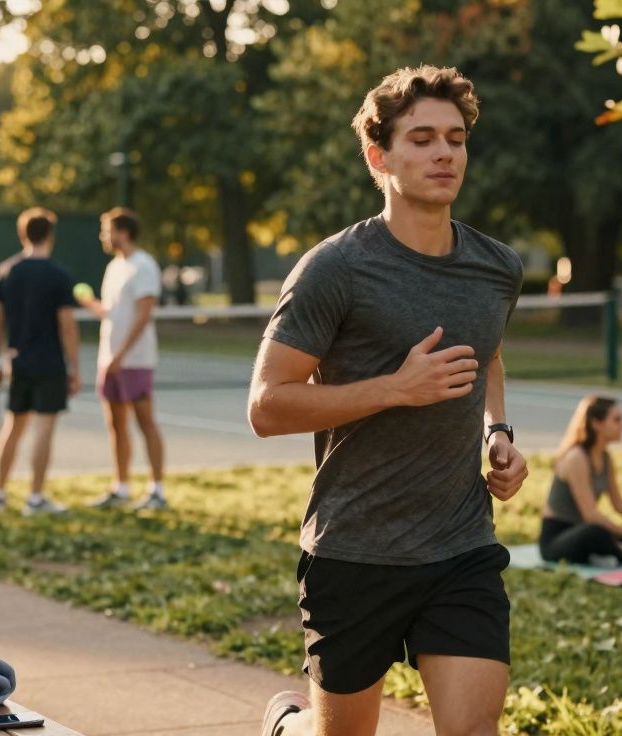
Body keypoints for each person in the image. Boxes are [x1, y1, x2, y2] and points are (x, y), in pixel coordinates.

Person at [249, 65, 528, 736]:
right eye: (422, 139)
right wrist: (396, 389)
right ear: (379, 157)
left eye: (455, 139)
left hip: (460, 545)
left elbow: (487, 355)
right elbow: (267, 406)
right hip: (354, 549)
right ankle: (289, 725)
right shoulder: (335, 268)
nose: (444, 154)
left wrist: (498, 432)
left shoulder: (497, 268)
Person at [0, 207, 81, 515]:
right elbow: (67, 326)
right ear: (50, 235)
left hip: (18, 363)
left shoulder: (6, 271)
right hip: (50, 364)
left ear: (22, 234)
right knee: (44, 429)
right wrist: (75, 367)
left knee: (13, 427)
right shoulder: (59, 275)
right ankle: (35, 499)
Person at [75, 207, 167, 511]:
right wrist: (91, 304)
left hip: (135, 361)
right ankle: (121, 487)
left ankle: (157, 491)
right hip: (109, 360)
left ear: (123, 233)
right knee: (115, 424)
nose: (103, 236)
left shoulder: (144, 265)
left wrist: (121, 354)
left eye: (107, 231)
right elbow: (112, 313)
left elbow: (143, 315)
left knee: (145, 422)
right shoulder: (114, 267)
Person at [539, 395, 622, 565]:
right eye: (617, 420)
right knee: (596, 532)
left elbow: (620, 505)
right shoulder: (576, 458)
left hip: (587, 531)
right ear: (596, 423)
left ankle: (618, 552)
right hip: (559, 539)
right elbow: (590, 515)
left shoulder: (605, 458)